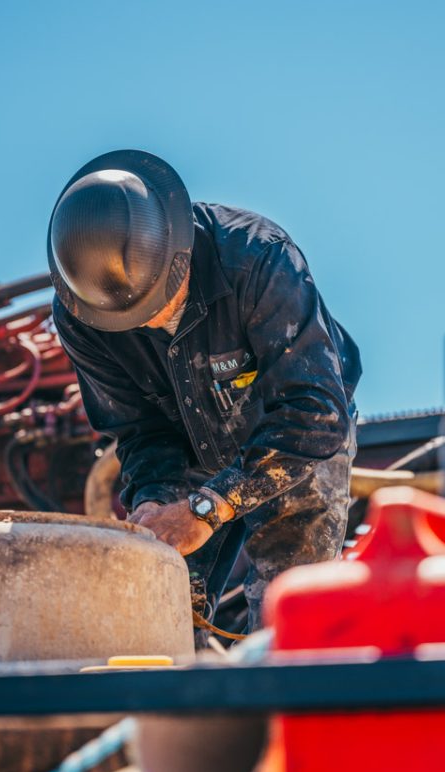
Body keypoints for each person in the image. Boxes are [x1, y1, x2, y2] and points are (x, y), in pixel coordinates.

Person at [49, 150, 361, 638]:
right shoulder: (81, 317)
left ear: (179, 252)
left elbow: (314, 413)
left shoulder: (258, 259)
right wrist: (153, 502)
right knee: (158, 609)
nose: (147, 323)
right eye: (129, 319)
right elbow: (138, 430)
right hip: (185, 446)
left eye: (155, 305)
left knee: (290, 614)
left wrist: (209, 506)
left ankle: (285, 697)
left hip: (289, 440)